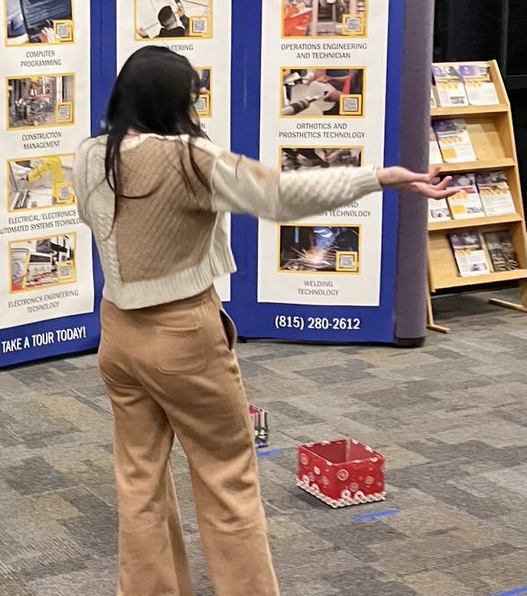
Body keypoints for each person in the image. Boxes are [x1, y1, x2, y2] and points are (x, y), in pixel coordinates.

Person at [72, 45, 457, 596]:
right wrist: (381, 177)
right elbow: (282, 196)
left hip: (118, 334)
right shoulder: (192, 159)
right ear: (177, 101)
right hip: (183, 335)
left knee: (138, 480)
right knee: (226, 475)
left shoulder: (91, 154)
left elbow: (101, 222)